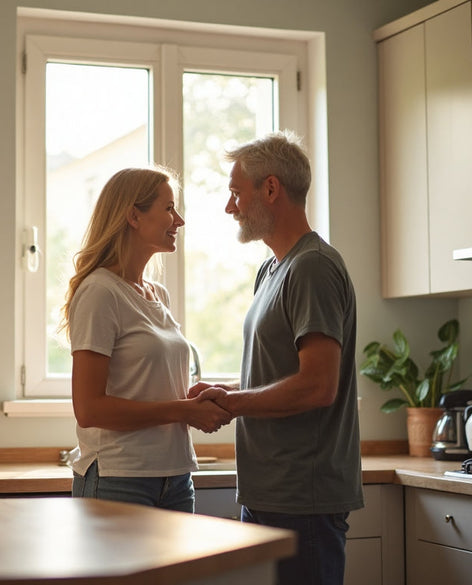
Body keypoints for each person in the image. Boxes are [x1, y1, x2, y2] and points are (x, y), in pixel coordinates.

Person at [191, 132, 363, 585]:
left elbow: (318, 385)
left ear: (270, 189)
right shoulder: (272, 269)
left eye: (235, 193)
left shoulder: (313, 267)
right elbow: (280, 375)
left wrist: (234, 405)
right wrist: (226, 393)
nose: (231, 207)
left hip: (302, 497)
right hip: (271, 490)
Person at [61, 166, 233, 513]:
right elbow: (89, 408)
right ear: (133, 217)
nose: (179, 220)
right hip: (118, 479)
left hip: (175, 477)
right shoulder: (100, 292)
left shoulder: (158, 295)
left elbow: (148, 390)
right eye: (168, 208)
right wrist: (182, 410)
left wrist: (195, 399)